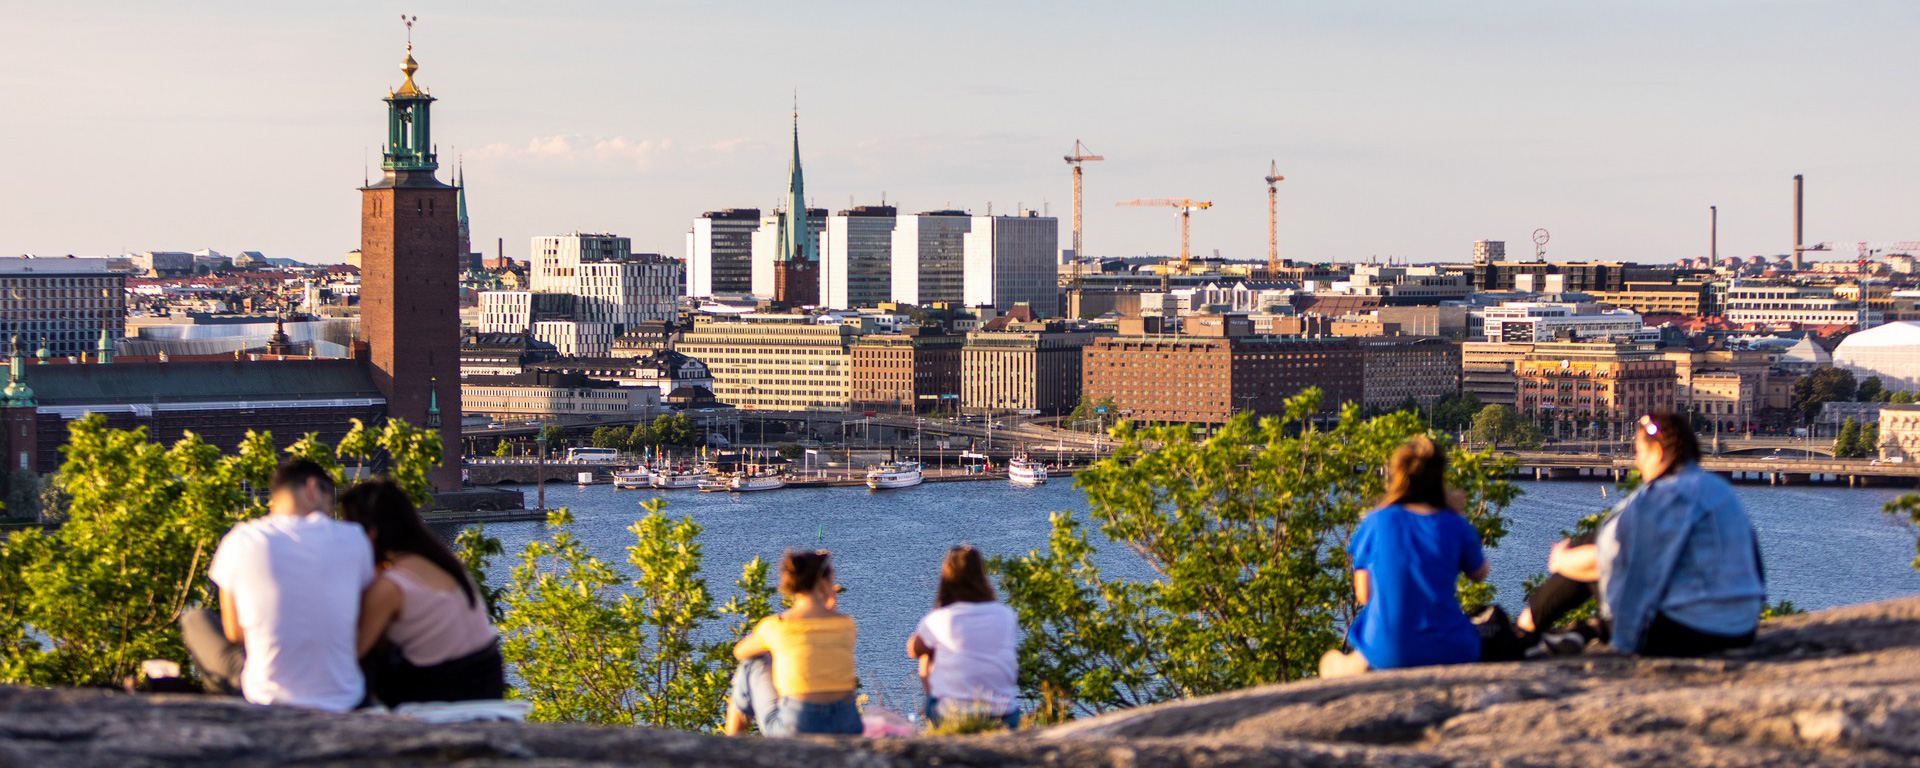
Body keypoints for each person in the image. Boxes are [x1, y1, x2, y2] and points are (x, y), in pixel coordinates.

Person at [1514, 411, 1764, 657]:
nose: (1636, 462)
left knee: (1597, 542)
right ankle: (1589, 629)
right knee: (1614, 540)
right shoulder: (1720, 489)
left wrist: (1561, 560)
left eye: (1639, 453)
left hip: (1690, 633)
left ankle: (1523, 631)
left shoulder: (1661, 495)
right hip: (1742, 629)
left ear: (1657, 452)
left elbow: (1610, 559)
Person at [180, 459, 373, 710]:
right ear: (313, 488)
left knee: (194, 618)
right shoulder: (354, 538)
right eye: (330, 501)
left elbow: (235, 633)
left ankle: (231, 713)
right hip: (346, 696)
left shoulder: (241, 538)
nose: (329, 510)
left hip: (265, 696)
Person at [1321, 435, 1489, 678]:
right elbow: (1479, 573)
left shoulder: (1375, 523)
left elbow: (1363, 594)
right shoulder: (1455, 524)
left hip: (1388, 652)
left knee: (1330, 663)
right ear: (1441, 477)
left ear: (1397, 475)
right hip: (1452, 649)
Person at [339, 479, 505, 706]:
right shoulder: (444, 564)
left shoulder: (391, 586)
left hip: (441, 691)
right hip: (487, 681)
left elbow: (352, 654)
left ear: (370, 533)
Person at [724, 550, 863, 737]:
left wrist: (775, 653)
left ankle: (731, 745)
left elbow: (740, 652)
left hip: (797, 725)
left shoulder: (776, 626)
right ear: (824, 583)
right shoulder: (846, 624)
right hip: (847, 723)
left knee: (752, 664)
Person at [908, 546, 1020, 730]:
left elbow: (914, 650)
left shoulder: (939, 618)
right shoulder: (1005, 614)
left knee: (927, 654)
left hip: (952, 715)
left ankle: (934, 706)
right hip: (1005, 714)